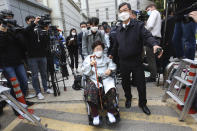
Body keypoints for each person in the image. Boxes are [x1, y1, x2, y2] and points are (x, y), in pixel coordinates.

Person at [110, 2, 162, 115]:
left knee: (141, 84)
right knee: (125, 83)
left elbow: (148, 36)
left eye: (125, 10)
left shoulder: (138, 26)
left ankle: (142, 103)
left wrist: (154, 44)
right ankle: (128, 98)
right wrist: (111, 54)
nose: (123, 13)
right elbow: (116, 45)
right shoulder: (118, 29)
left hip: (136, 61)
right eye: (121, 11)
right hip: (123, 62)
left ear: (130, 11)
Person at [0, 10, 34, 106]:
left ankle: (22, 100)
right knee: (15, 85)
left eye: (11, 17)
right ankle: (17, 106)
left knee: (24, 82)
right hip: (7, 64)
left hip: (18, 61)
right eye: (7, 17)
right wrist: (3, 33)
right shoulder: (1, 31)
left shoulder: (13, 29)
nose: (9, 19)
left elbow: (23, 42)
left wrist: (18, 32)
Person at [82, 41, 117, 125]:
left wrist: (110, 69)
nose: (99, 50)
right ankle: (95, 115)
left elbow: (113, 65)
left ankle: (110, 113)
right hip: (93, 78)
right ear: (93, 50)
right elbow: (84, 70)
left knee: (111, 90)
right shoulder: (89, 58)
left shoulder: (106, 58)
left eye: (100, 49)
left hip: (105, 78)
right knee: (90, 91)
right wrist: (90, 65)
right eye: (97, 49)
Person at [25, 15, 53, 100]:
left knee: (44, 73)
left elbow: (46, 43)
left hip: (42, 56)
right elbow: (27, 31)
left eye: (35, 20)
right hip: (32, 57)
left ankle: (46, 88)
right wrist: (34, 23)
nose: (34, 22)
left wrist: (47, 31)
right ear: (27, 22)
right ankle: (38, 92)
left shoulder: (40, 30)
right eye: (31, 21)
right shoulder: (28, 30)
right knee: (35, 75)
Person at [145, 3, 162, 82]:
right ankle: (153, 75)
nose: (148, 12)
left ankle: (152, 76)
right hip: (156, 38)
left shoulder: (154, 12)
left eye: (148, 10)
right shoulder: (158, 14)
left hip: (152, 38)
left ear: (152, 7)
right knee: (152, 59)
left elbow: (150, 25)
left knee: (150, 58)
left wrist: (144, 30)